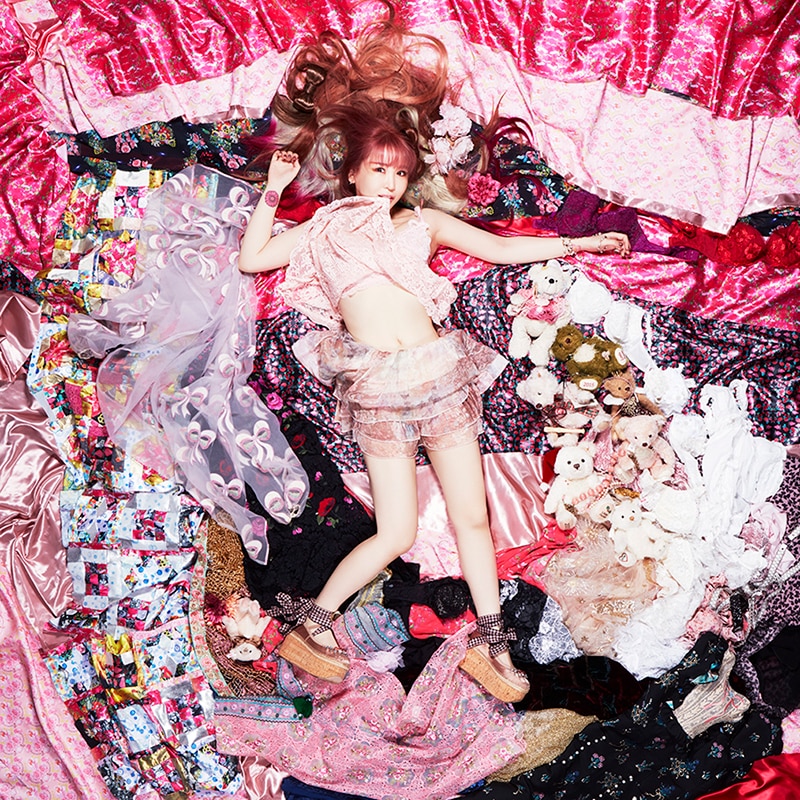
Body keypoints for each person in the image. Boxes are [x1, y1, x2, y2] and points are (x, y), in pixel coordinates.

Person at [238, 17, 630, 703]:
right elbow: (252, 259)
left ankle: (491, 643)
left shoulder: (422, 224)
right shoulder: (323, 230)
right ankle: (314, 625)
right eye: (378, 170)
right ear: (352, 169)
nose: (389, 183)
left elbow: (503, 249)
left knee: (472, 515)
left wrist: (582, 245)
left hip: (438, 375)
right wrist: (273, 188)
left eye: (399, 173)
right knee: (396, 530)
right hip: (376, 386)